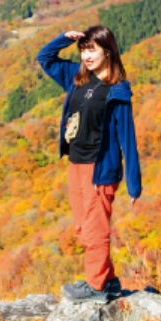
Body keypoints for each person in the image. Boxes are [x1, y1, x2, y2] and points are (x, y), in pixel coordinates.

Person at [36, 25, 142, 304]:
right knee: (83, 227)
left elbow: (127, 138)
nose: (86, 56)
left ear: (108, 52)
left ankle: (95, 287)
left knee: (96, 228)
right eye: (83, 50)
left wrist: (134, 183)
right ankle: (107, 280)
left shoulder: (117, 92)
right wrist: (64, 39)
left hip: (100, 169)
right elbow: (45, 58)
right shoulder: (76, 78)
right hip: (76, 164)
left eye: (92, 50)